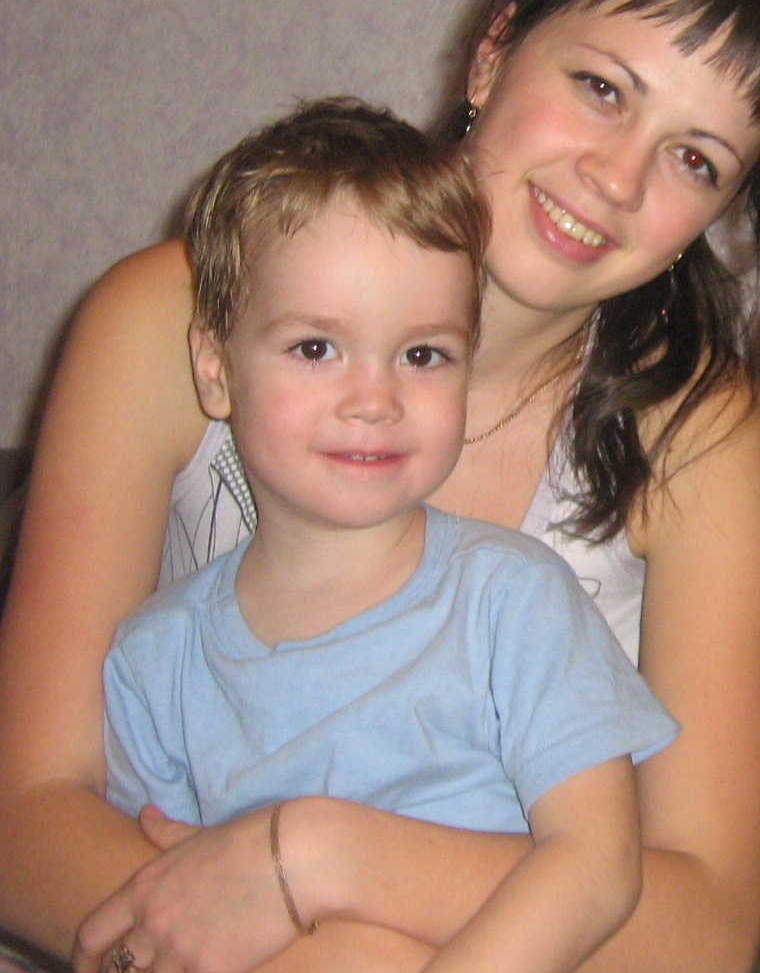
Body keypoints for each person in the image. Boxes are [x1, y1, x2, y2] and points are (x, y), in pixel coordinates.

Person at [0, 0, 760, 973]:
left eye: (694, 160)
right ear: (493, 54)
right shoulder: (170, 317)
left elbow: (704, 928)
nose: (617, 178)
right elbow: (26, 812)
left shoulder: (694, 438)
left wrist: (328, 862)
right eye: (601, 88)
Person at [92, 99, 679, 973]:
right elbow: (165, 912)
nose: (375, 399)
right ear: (216, 369)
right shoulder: (155, 659)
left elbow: (598, 868)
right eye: (315, 349)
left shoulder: (515, 601)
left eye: (422, 355)